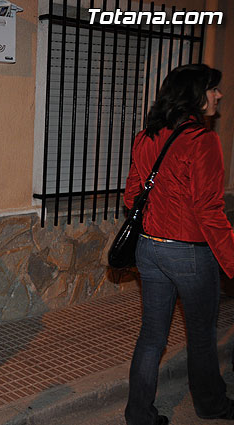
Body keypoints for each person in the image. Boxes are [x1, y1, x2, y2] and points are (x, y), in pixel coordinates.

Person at [123, 64, 234, 424]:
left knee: (152, 336)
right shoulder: (204, 142)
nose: (218, 95)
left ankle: (139, 413)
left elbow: (130, 198)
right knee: (201, 337)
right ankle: (212, 405)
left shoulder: (145, 137)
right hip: (189, 253)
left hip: (149, 248)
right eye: (212, 89)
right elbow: (209, 210)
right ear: (195, 95)